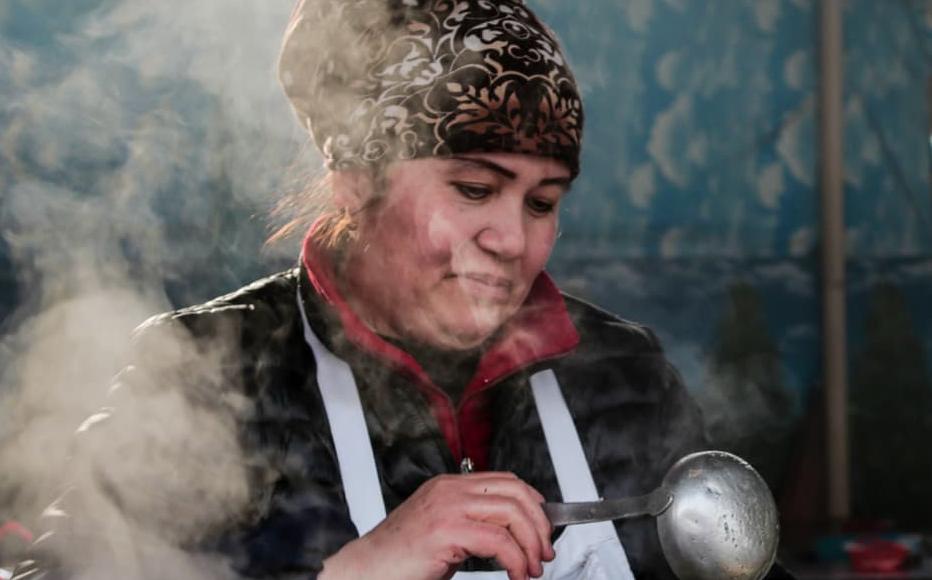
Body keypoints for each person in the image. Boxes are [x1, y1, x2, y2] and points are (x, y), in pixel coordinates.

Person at [14, 1, 793, 579]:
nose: (512, 238)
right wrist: (355, 572)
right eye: (473, 188)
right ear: (355, 179)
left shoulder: (622, 375)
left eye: (542, 202)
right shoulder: (206, 371)